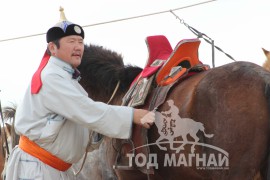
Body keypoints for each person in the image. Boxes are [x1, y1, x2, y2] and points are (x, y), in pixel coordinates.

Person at [5, 7, 155, 180]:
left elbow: (78, 124)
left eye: (80, 42)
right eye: (71, 41)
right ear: (52, 48)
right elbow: (87, 110)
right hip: (38, 169)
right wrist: (131, 115)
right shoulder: (52, 77)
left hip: (53, 168)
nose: (78, 47)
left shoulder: (68, 79)